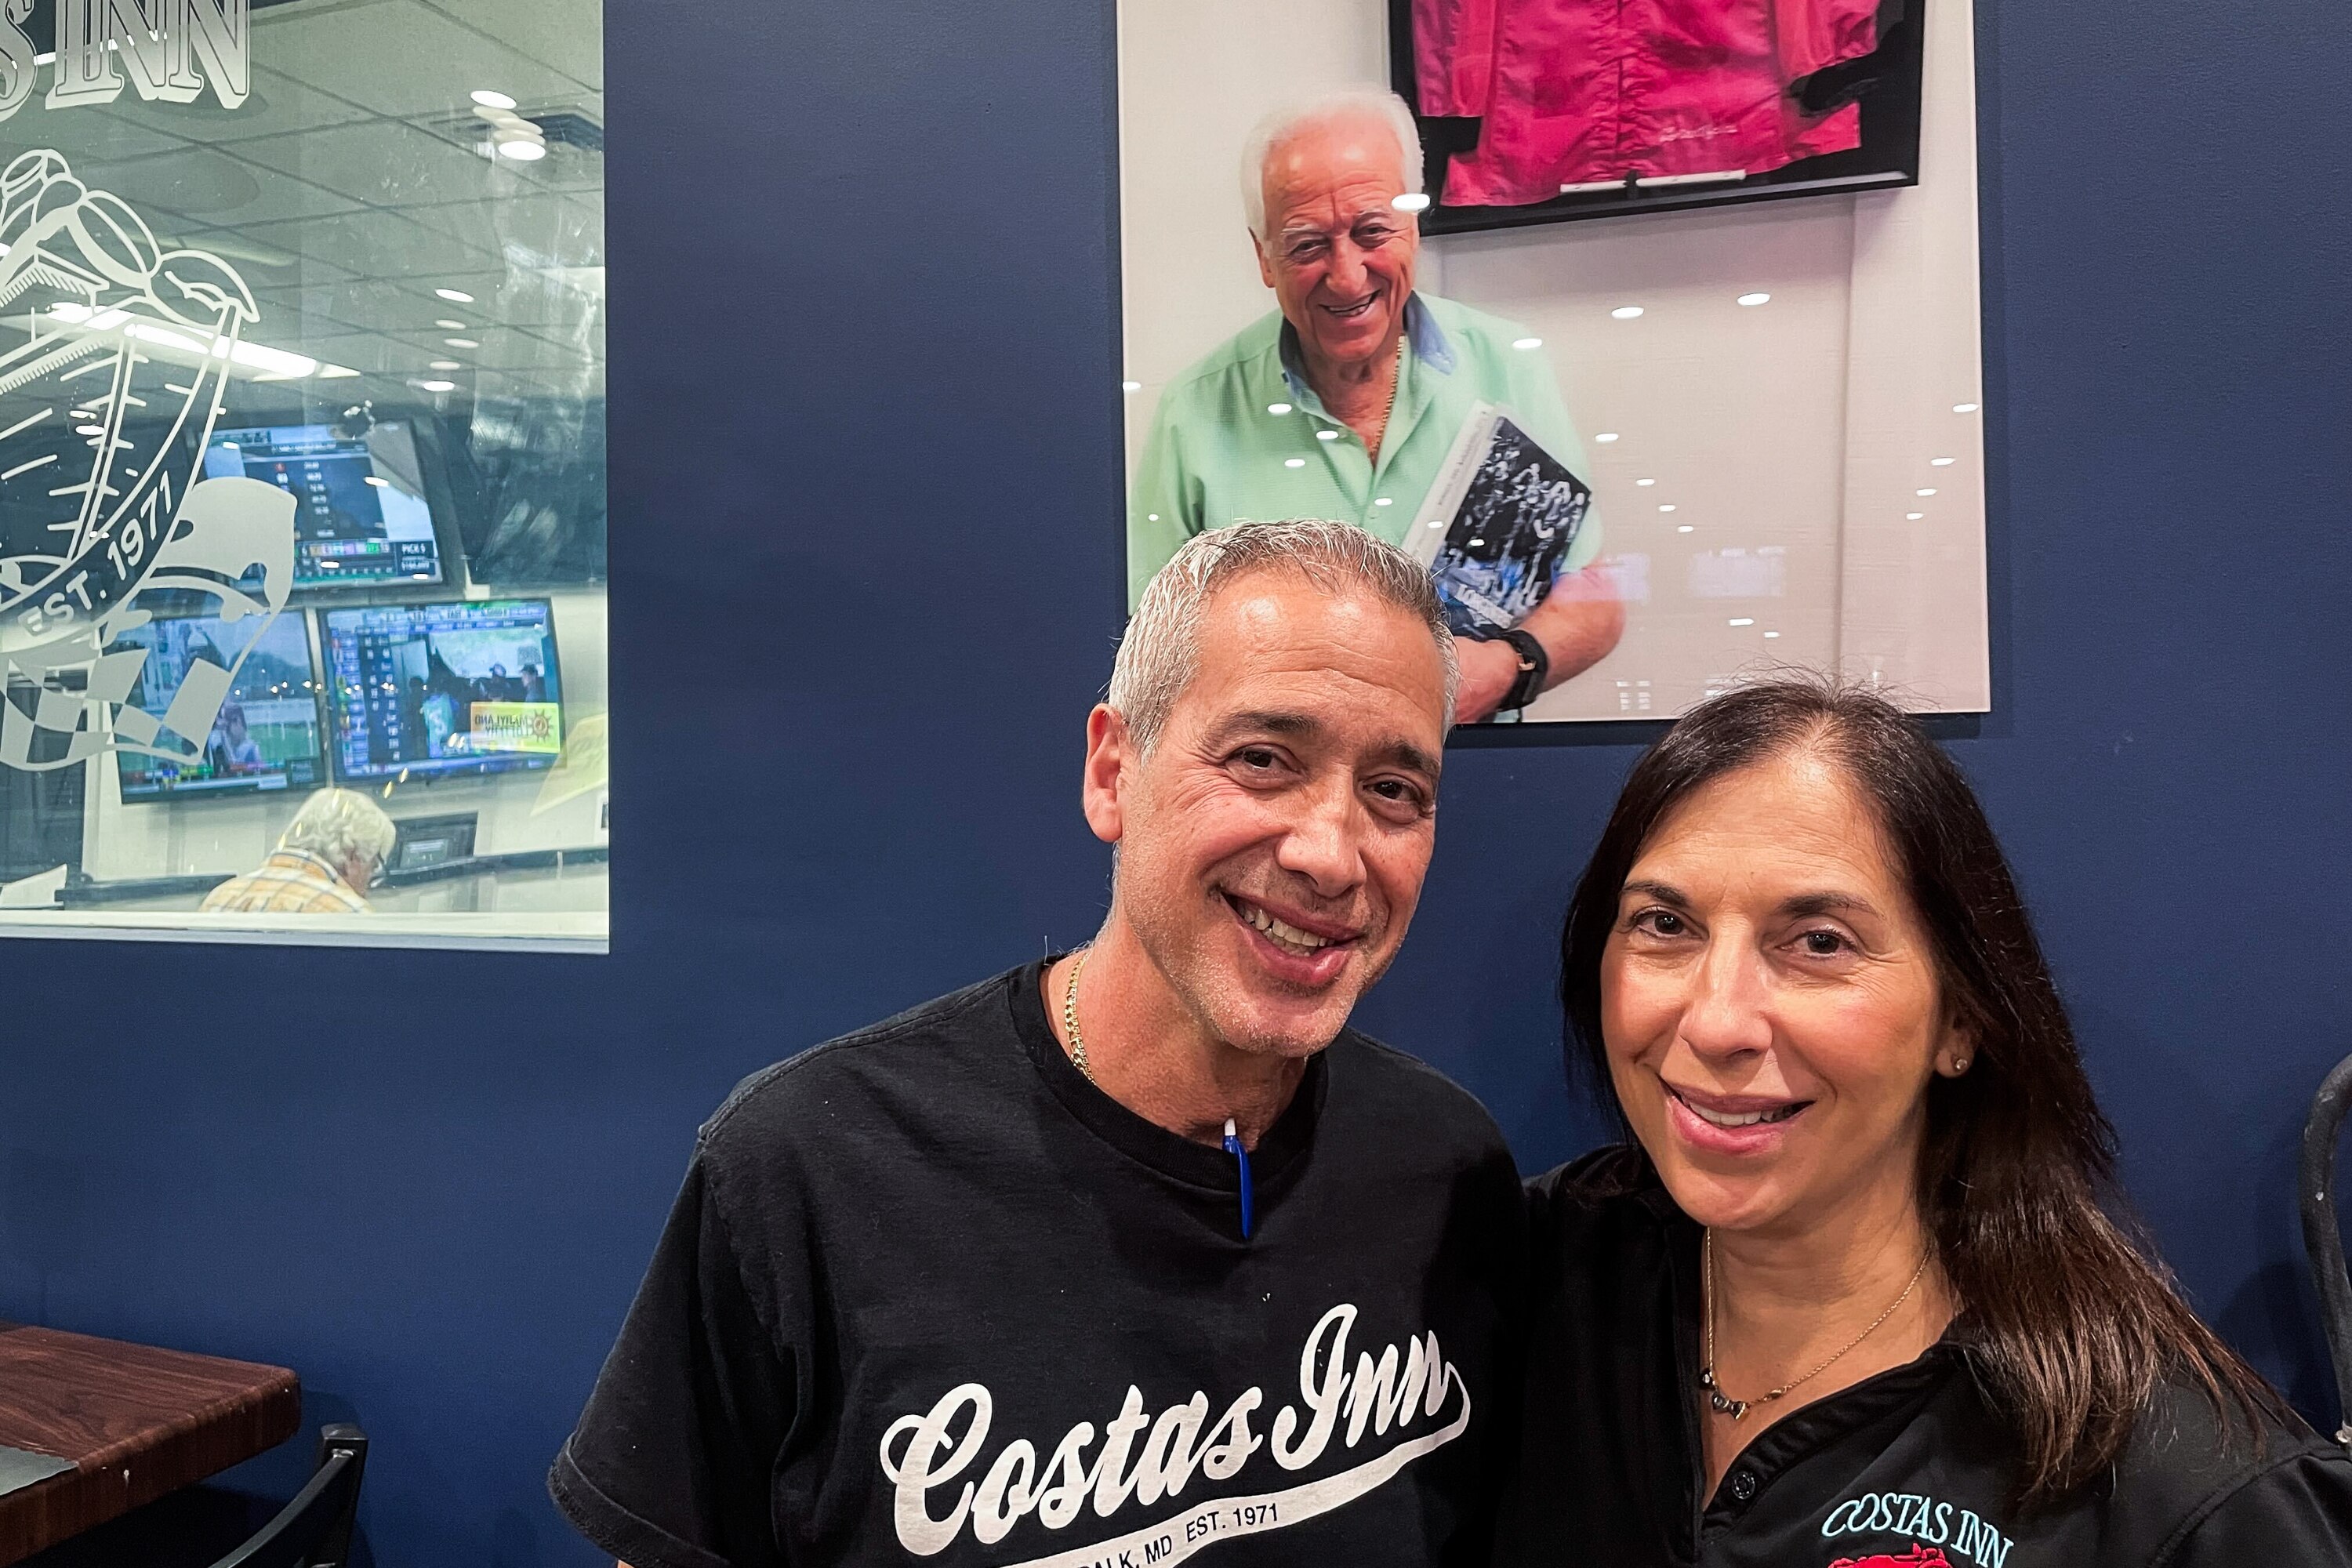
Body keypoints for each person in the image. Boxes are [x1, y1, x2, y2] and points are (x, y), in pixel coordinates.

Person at [550, 521, 1526, 1567]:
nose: (1331, 854)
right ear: (1113, 772)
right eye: (1261, 759)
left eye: (1394, 791)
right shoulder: (805, 1170)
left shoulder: (1446, 1169)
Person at [1494, 681, 2352, 1564]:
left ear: (1961, 1021)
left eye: (1820, 941)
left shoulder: (2182, 1491)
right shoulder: (1511, 1278)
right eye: (1665, 923)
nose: (1716, 1022)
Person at [1129, 88, 1623, 723]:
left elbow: (1593, 590)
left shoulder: (1507, 365)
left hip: (1471, 759)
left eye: (1372, 231)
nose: (1347, 275)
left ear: (1413, 226)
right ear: (1264, 258)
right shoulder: (1194, 412)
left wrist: (1506, 666)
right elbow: (1152, 643)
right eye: (1307, 244)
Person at [200, 787, 395, 914]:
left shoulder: (219, 898)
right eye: (373, 865)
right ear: (351, 855)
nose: (369, 882)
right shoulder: (351, 913)